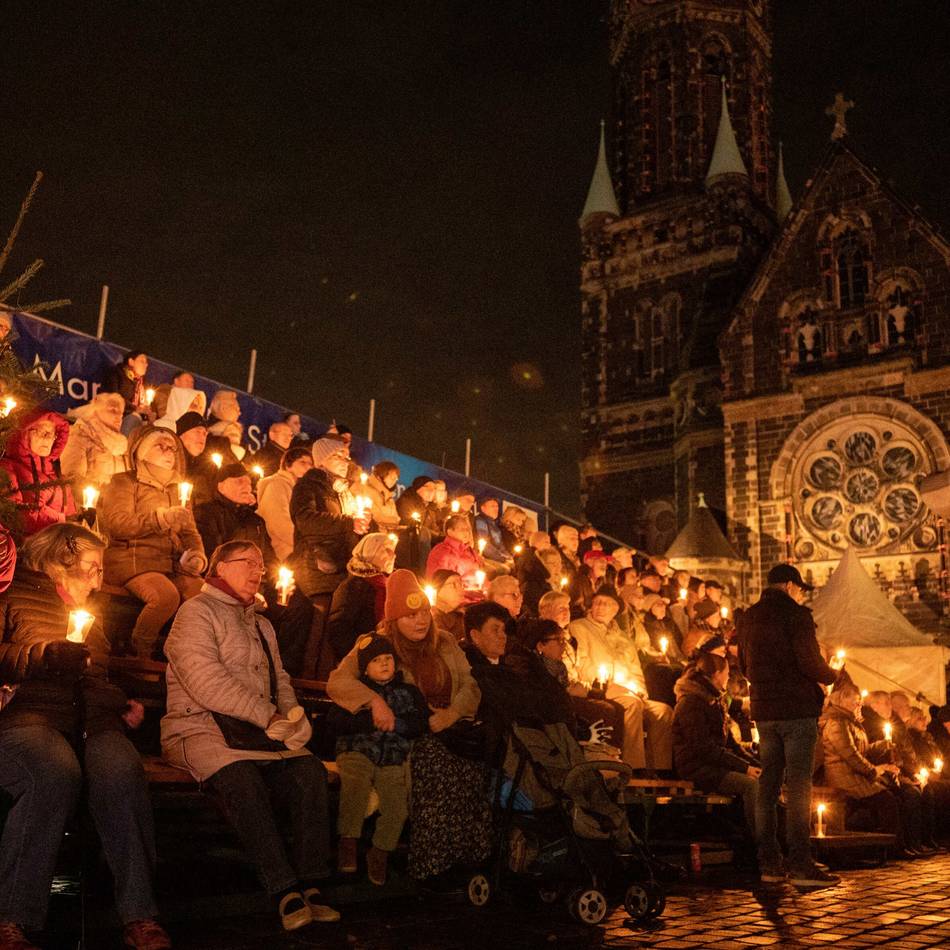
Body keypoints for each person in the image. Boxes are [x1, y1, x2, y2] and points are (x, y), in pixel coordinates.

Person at [0, 524, 171, 950]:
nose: (98, 580)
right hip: (31, 716)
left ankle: (139, 914)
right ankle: (11, 918)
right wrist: (41, 655)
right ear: (60, 558)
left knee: (122, 771)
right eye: (93, 567)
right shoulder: (12, 595)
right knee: (52, 771)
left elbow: (99, 676)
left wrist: (122, 700)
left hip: (93, 721)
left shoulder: (90, 614)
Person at [161, 540, 338, 930]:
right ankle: (283, 887)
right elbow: (205, 681)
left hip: (256, 734)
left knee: (309, 771)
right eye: (249, 563)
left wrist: (292, 716)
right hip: (200, 727)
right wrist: (268, 715)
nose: (259, 571)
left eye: (261, 565)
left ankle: (312, 881)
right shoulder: (196, 612)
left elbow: (280, 679)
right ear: (221, 567)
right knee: (241, 778)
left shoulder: (261, 623)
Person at [327, 570, 487, 881]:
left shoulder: (445, 641)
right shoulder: (376, 645)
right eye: (410, 615)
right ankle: (432, 863)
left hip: (449, 727)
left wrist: (452, 714)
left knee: (473, 768)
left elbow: (471, 684)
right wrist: (374, 700)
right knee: (436, 767)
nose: (420, 621)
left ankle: (467, 860)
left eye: (424, 612)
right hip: (406, 735)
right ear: (394, 619)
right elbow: (339, 681)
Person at [737, 563, 840, 887]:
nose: (800, 595)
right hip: (796, 709)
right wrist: (833, 674)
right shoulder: (797, 615)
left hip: (765, 712)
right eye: (799, 590)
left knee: (768, 787)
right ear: (790, 586)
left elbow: (743, 665)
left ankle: (769, 863)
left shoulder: (748, 617)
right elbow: (809, 661)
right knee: (798, 787)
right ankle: (800, 864)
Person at [328, 634, 429, 885]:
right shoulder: (357, 689)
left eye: (388, 658)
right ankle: (348, 841)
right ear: (365, 668)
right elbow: (336, 720)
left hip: (393, 755)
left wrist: (398, 724)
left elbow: (420, 722)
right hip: (357, 748)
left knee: (397, 804)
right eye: (376, 660)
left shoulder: (408, 691)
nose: (384, 663)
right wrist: (370, 720)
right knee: (356, 785)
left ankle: (381, 851)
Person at [98, 426, 206, 658]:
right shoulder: (123, 482)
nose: (168, 452)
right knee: (165, 597)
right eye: (160, 446)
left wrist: (196, 556)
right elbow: (118, 524)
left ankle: (185, 656)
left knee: (205, 597)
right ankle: (140, 652)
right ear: (142, 451)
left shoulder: (178, 490)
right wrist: (160, 519)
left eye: (172, 448)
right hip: (132, 560)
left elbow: (190, 532)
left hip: (169, 564)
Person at [289, 434, 369, 678]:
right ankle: (309, 681)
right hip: (316, 566)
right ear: (322, 460)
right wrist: (348, 523)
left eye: (346, 456)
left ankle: (328, 679)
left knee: (333, 628)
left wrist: (364, 526)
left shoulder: (344, 493)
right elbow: (305, 519)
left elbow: (349, 528)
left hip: (341, 568)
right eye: (338, 455)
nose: (345, 460)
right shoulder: (308, 485)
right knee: (318, 626)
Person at [568, 590, 673, 773]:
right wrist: (602, 684)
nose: (600, 607)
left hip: (629, 690)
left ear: (615, 609)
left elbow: (636, 669)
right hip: (602, 687)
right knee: (632, 705)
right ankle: (634, 766)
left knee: (663, 711)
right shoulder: (580, 628)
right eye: (597, 602)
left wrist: (640, 690)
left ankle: (660, 769)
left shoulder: (623, 637)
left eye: (606, 603)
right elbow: (582, 663)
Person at [819, 684, 922, 857]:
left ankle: (897, 845)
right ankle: (891, 848)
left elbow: (862, 750)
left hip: (855, 775)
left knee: (892, 797)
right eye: (855, 701)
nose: (859, 705)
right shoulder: (837, 722)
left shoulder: (850, 721)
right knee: (887, 800)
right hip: (844, 777)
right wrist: (874, 770)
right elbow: (850, 755)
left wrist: (881, 745)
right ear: (843, 699)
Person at [672, 652, 760, 835]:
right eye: (726, 673)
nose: (728, 677)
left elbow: (730, 743)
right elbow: (703, 748)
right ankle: (759, 839)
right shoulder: (691, 702)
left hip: (713, 763)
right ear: (716, 674)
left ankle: (751, 832)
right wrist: (745, 769)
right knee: (751, 785)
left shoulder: (714, 699)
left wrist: (755, 764)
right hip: (696, 766)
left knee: (762, 778)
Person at [0, 409, 77, 537]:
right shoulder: (7, 467)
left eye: (52, 433)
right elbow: (13, 512)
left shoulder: (58, 476)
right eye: (40, 431)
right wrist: (61, 521)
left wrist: (80, 521)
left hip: (58, 544)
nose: (47, 437)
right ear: (24, 434)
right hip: (23, 545)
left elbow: (71, 515)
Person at [194, 463, 277, 578]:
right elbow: (211, 557)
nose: (247, 487)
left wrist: (273, 578)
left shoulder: (255, 520)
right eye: (239, 482)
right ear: (221, 487)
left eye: (249, 483)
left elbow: (269, 559)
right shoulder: (206, 513)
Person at [326, 533, 396, 661]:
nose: (393, 555)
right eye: (387, 550)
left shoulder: (388, 584)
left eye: (393, 551)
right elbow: (338, 628)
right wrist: (360, 656)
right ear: (371, 551)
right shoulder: (353, 587)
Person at [60, 392, 129, 498]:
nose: (119, 416)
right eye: (113, 410)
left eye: (121, 413)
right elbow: (72, 481)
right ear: (96, 411)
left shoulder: (122, 446)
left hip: (117, 506)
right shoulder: (79, 436)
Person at [256, 446, 313, 561]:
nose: (308, 467)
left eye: (310, 464)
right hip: (286, 553)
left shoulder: (298, 488)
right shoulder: (278, 485)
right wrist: (305, 545)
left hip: (297, 551)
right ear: (287, 465)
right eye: (302, 462)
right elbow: (279, 522)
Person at [425, 514, 484, 594]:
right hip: (458, 595)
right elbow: (445, 585)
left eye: (467, 529)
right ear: (450, 532)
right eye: (462, 529)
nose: (466, 532)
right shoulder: (443, 552)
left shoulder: (468, 549)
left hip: (475, 591)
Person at [102, 349, 151, 431]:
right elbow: (112, 397)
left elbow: (143, 405)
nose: (146, 365)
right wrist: (135, 409)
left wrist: (147, 412)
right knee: (133, 419)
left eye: (146, 363)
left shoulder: (142, 384)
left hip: (134, 417)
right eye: (142, 361)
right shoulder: (115, 374)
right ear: (131, 362)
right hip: (113, 417)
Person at [362, 461, 400, 532]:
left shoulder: (389, 496)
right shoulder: (366, 490)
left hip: (386, 536)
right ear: (380, 476)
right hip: (372, 534)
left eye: (396, 478)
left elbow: (397, 519)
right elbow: (375, 517)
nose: (395, 480)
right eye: (392, 477)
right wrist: (394, 520)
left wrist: (394, 521)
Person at [430, 569, 466, 642]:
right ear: (437, 589)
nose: (461, 589)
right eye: (453, 585)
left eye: (461, 584)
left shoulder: (465, 615)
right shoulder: (430, 619)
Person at [474, 497, 511, 565]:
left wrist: (509, 558)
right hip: (488, 559)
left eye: (497, 506)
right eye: (492, 506)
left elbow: (501, 546)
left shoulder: (494, 525)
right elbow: (485, 546)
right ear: (483, 508)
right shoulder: (480, 521)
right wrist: (503, 559)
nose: (496, 509)